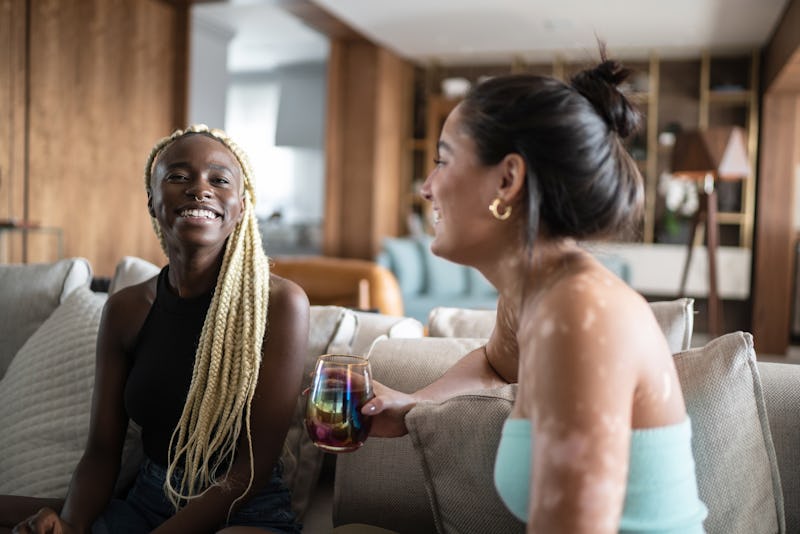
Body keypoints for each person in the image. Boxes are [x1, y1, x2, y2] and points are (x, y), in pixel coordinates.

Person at [363, 50, 709, 533]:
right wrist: (413, 404)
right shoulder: (535, 296)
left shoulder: (580, 312)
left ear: (507, 180)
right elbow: (494, 364)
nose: (427, 186)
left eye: (443, 160)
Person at [1, 125, 309, 533]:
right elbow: (101, 452)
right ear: (152, 200)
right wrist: (72, 525)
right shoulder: (125, 310)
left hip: (242, 508)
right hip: (145, 502)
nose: (200, 189)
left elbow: (252, 467)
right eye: (178, 176)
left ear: (241, 207)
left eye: (219, 180)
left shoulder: (281, 304)